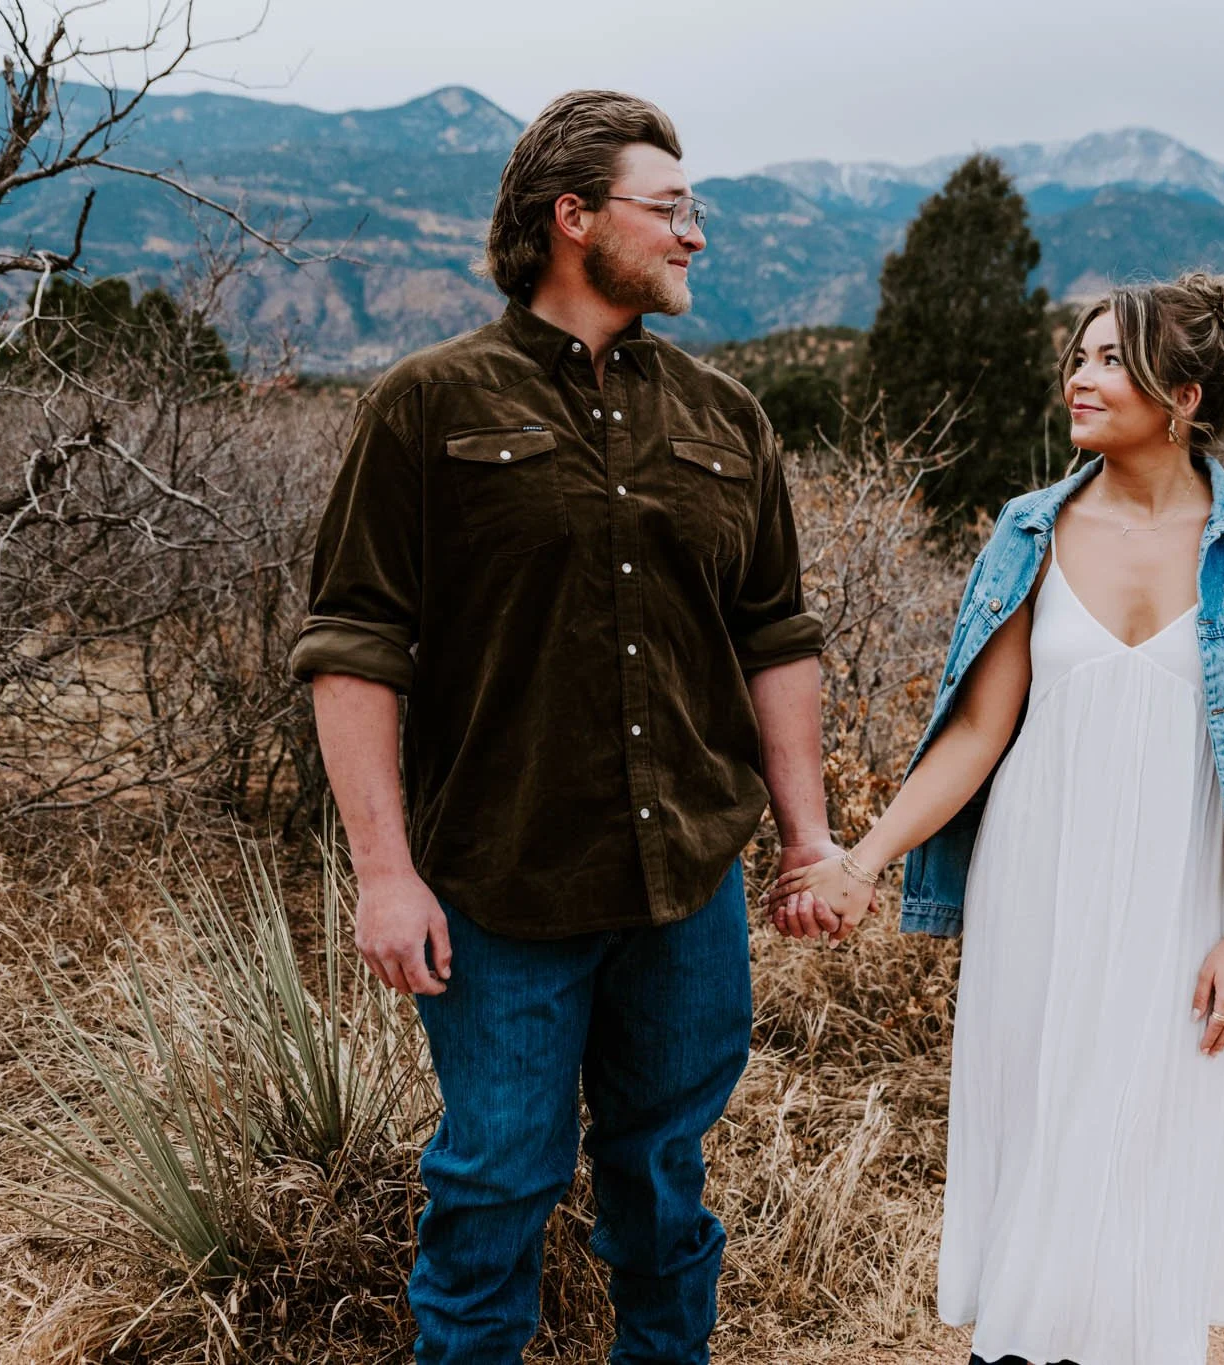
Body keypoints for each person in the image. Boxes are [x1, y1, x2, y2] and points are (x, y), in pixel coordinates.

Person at [291, 89, 841, 1365]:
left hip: (684, 890)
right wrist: (384, 876)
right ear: (572, 218)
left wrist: (806, 839)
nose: (694, 234)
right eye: (670, 207)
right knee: (491, 1193)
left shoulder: (726, 418)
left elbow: (774, 636)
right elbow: (355, 646)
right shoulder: (425, 407)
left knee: (664, 1194)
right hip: (498, 884)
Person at [767, 272, 1224, 1365]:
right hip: (1038, 888)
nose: (1080, 377)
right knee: (1047, 1139)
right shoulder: (1029, 530)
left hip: (1188, 902)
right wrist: (862, 859)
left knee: (1152, 1148)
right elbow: (973, 735)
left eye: (1110, 359)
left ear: (1184, 393)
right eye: (1080, 355)